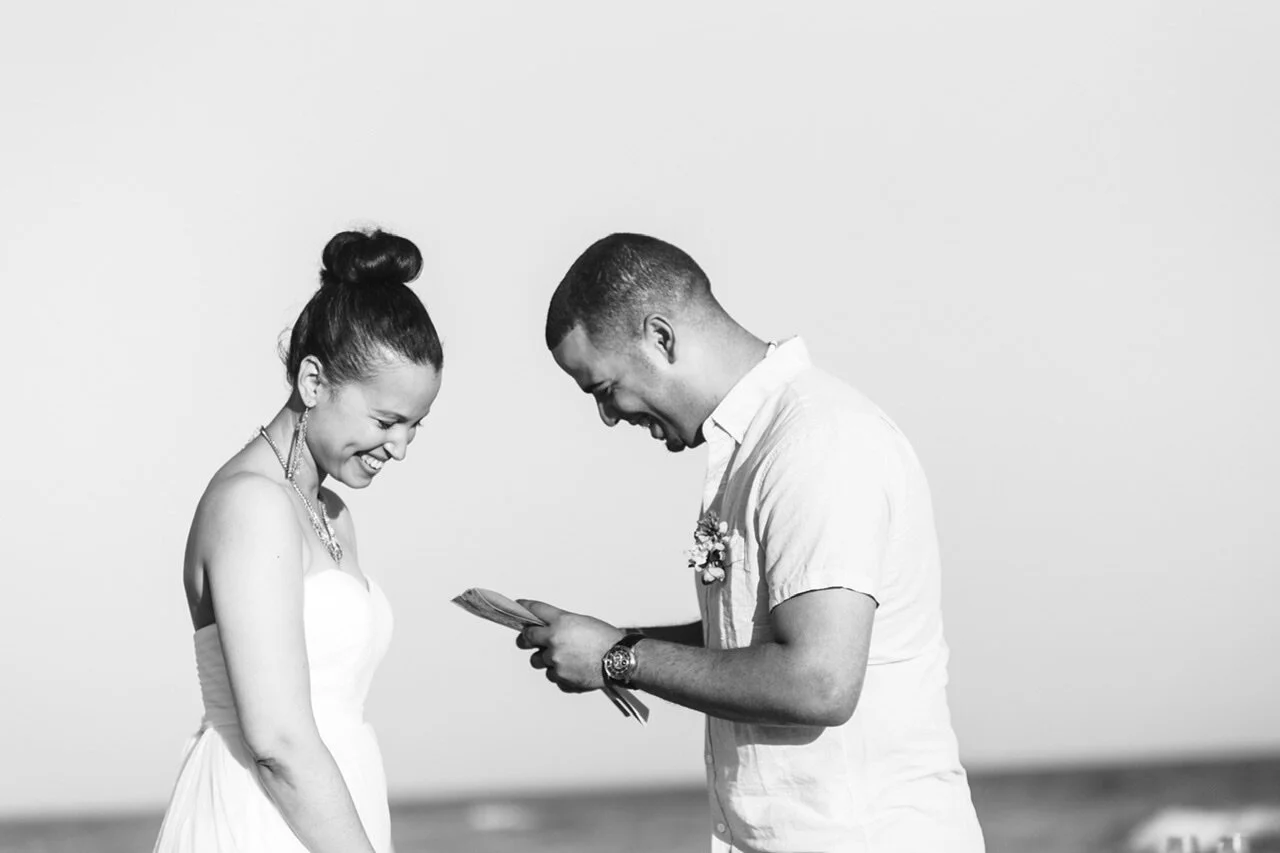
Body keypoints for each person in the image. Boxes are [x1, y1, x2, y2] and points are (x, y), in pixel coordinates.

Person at [518, 233, 985, 852]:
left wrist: (618, 659)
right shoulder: (746, 456)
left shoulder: (817, 442)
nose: (609, 416)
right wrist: (613, 640)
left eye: (603, 388)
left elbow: (819, 680)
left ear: (661, 339)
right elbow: (748, 639)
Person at [153, 229, 443, 853]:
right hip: (260, 822)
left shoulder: (330, 513)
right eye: (387, 421)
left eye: (416, 426)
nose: (400, 447)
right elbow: (278, 740)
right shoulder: (251, 505)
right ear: (313, 381)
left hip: (330, 817)